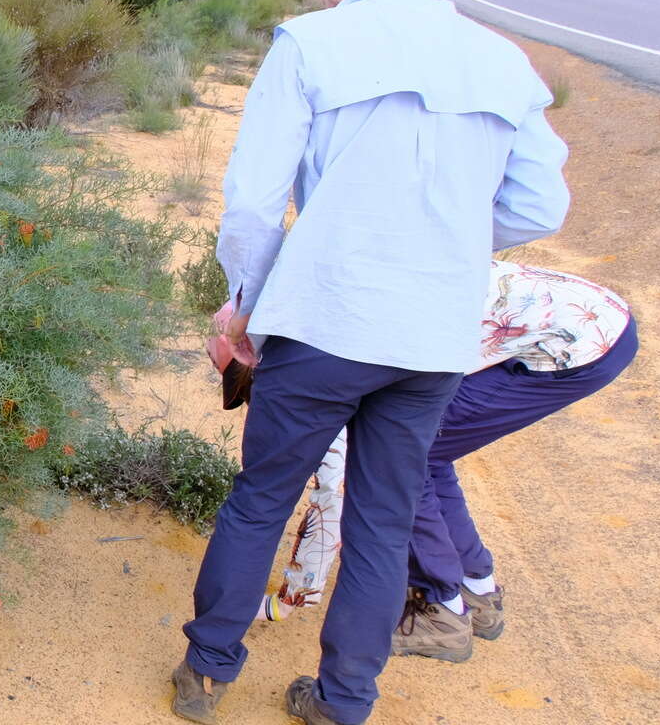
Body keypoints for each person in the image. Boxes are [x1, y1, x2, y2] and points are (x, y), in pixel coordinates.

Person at [172, 0, 571, 725]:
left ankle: (207, 674)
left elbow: (252, 204)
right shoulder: (500, 59)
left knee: (263, 495)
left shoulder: (312, 44)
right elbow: (541, 207)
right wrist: (443, 236)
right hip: (432, 331)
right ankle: (343, 712)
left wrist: (242, 305)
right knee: (384, 520)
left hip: (328, 315)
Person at [240, 262, 637, 663]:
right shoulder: (349, 291)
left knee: (398, 457)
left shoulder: (343, 352)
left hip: (573, 344)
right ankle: (475, 589)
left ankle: (441, 611)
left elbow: (333, 492)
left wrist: (291, 597)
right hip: (595, 321)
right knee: (427, 450)